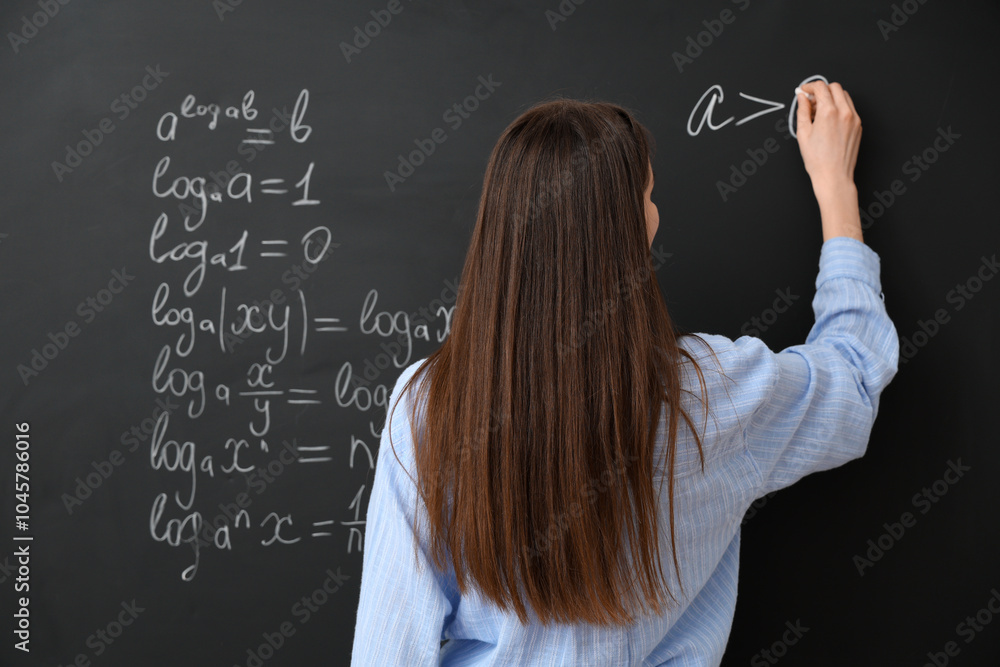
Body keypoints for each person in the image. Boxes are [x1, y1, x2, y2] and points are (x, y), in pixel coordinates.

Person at [351, 80, 898, 665]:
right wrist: (836, 188)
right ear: (632, 228)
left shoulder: (427, 405)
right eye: (650, 196)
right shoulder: (713, 391)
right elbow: (855, 379)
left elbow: (389, 651)